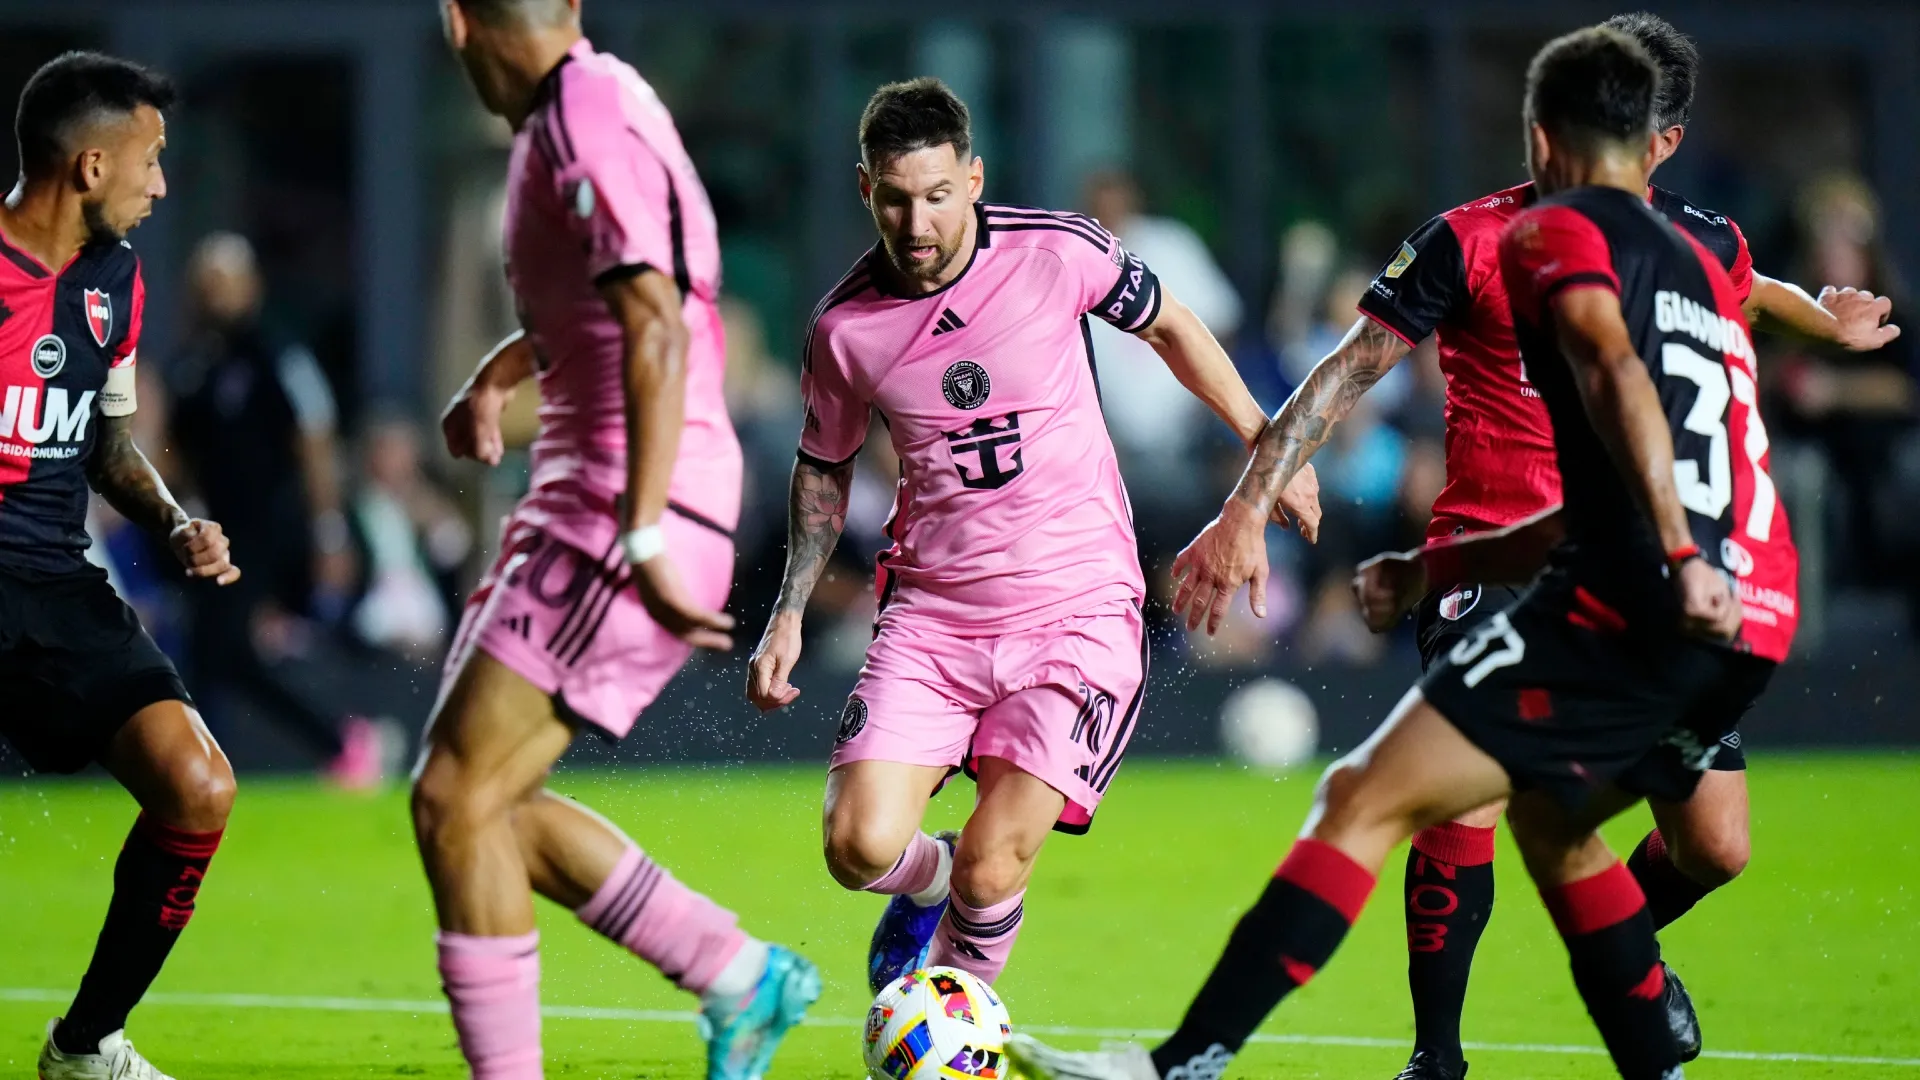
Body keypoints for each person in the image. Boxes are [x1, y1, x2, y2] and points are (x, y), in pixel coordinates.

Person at [1010, 25, 1797, 1080]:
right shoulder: (1706, 257)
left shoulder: (1545, 240)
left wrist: (1653, 548)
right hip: (1745, 597)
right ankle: (1545, 1047)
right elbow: (1688, 393)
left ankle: (1181, 1065)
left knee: (1367, 798)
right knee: (1576, 831)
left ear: (1546, 135)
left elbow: (1610, 387)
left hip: (1624, 577)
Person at [744, 77, 1321, 996]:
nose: (918, 223)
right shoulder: (843, 330)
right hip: (933, 617)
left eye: (938, 195)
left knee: (993, 867)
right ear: (865, 190)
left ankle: (958, 1027)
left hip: (1075, 609)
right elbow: (824, 468)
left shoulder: (1057, 250)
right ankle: (925, 881)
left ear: (973, 179)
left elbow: (1171, 326)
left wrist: (1266, 442)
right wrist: (788, 612)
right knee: (856, 847)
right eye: (895, 199)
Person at [422, 2, 819, 1078]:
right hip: (598, 498)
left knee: (457, 797)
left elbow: (655, 324)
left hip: (624, 504)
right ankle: (737, 973)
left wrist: (640, 534)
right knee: (480, 802)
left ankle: (731, 975)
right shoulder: (585, 107)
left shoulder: (580, 120)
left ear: (457, 22)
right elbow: (618, 303)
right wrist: (502, 373)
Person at [0, 51, 241, 1080]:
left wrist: (174, 521)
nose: (163, 184)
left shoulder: (115, 281)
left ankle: (86, 1047)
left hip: (55, 580)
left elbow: (108, 445)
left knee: (198, 786)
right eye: (152, 159)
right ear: (91, 167)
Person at [166, 232, 383, 785]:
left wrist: (329, 532)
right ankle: (213, 762)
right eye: (205, 286)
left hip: (271, 527)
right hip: (213, 528)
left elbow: (314, 437)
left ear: (251, 286)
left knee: (222, 645)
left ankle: (331, 739)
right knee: (216, 651)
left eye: (224, 284)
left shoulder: (278, 354)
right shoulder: (193, 365)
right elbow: (178, 452)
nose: (214, 297)